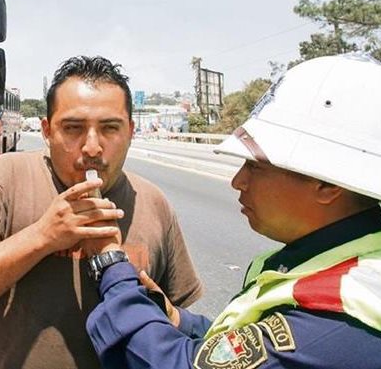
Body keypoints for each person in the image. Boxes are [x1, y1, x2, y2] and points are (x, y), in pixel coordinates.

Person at [85, 53, 381, 369]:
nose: (238, 181)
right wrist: (177, 319)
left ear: (327, 182)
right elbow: (245, 344)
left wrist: (112, 266)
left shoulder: (340, 310)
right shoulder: (339, 262)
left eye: (255, 165)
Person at [0, 56, 203, 369]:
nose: (92, 148)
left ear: (130, 131)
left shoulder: (153, 203)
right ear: (47, 131)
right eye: (72, 128)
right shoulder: (6, 179)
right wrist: (43, 236)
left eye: (109, 128)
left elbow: (180, 324)